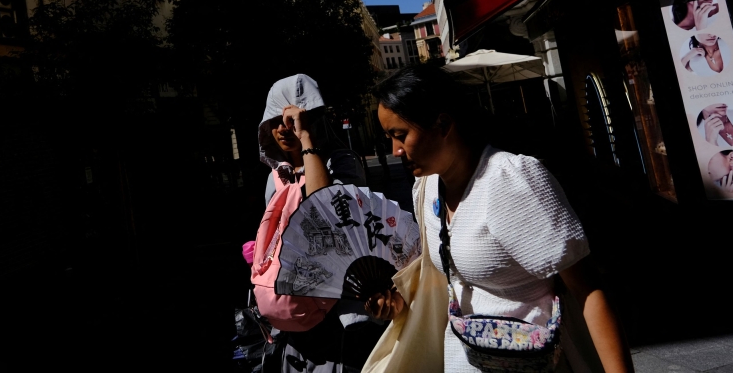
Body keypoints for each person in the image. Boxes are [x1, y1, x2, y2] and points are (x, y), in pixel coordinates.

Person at [364, 65, 633, 373]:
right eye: (389, 137)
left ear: (443, 124)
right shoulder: (425, 190)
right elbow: (448, 280)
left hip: (533, 361)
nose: (395, 150)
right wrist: (400, 305)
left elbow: (588, 290)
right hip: (461, 360)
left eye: (400, 135)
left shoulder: (511, 180)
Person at [256, 74, 382, 373]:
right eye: (276, 120)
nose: (284, 129)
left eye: (297, 120)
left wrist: (307, 143)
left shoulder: (342, 162)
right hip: (290, 310)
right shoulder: (276, 176)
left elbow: (326, 212)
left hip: (339, 311)